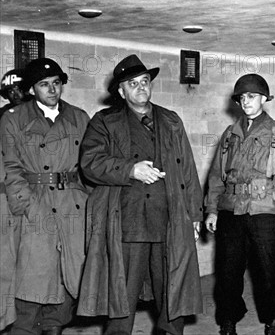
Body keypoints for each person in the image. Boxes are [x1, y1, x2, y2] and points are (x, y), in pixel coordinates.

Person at [76, 55, 203, 335]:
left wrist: (194, 214)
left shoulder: (170, 120)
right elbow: (90, 163)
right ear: (121, 91)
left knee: (173, 289)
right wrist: (130, 170)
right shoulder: (105, 121)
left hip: (167, 217)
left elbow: (188, 170)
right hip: (127, 220)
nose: (141, 88)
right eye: (133, 84)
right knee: (122, 295)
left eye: (145, 81)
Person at [205, 74, 275, 335]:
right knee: (227, 270)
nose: (246, 101)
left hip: (266, 210)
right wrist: (211, 209)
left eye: (252, 96)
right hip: (232, 210)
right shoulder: (229, 134)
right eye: (242, 97)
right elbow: (216, 175)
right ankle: (228, 319)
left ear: (263, 99)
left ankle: (273, 318)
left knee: (269, 270)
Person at [1, 58, 90, 335]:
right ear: (32, 89)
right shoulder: (14, 118)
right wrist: (25, 205)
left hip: (72, 203)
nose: (52, 90)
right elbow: (10, 166)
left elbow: (89, 164)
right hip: (35, 201)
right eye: (44, 85)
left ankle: (55, 327)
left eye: (56, 83)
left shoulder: (79, 116)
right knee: (33, 274)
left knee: (69, 273)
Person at [0, 68, 29, 331]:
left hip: (40, 197)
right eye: (10, 91)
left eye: (20, 88)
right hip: (8, 198)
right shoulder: (4, 118)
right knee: (7, 262)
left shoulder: (42, 116)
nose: (16, 94)